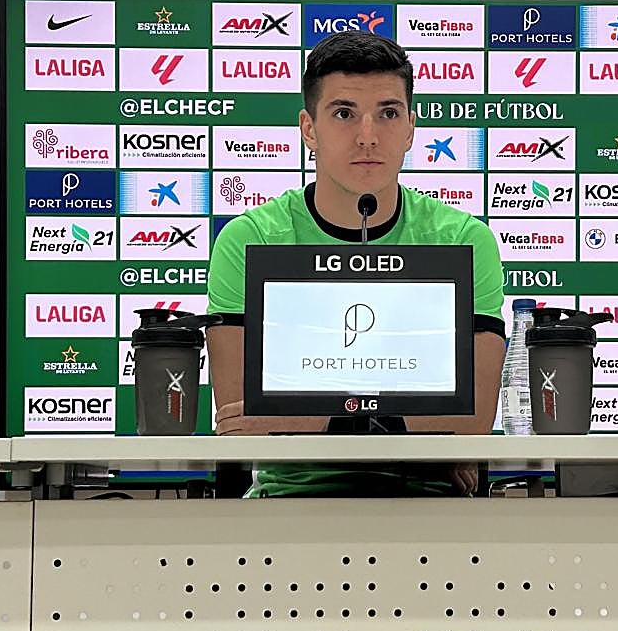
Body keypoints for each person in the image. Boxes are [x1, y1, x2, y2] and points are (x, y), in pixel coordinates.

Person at [205, 30, 506, 497]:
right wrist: (407, 423)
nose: (368, 137)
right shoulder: (248, 240)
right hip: (287, 502)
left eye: (388, 113)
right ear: (309, 129)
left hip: (430, 505)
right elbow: (241, 423)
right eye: (344, 113)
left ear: (410, 129)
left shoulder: (466, 241)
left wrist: (309, 416)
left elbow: (470, 425)